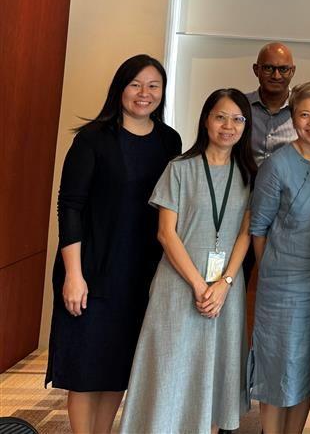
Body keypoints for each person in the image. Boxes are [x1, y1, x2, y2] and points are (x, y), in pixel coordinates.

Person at [45, 54, 181, 434]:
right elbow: (69, 207)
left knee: (117, 367)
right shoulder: (92, 139)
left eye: (154, 86)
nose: (144, 93)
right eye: (136, 84)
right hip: (91, 270)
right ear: (120, 88)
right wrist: (73, 274)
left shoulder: (170, 141)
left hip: (139, 275)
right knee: (86, 369)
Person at [120, 88, 256, 434]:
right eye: (220, 117)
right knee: (170, 368)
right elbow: (166, 233)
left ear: (246, 125)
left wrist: (223, 284)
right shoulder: (179, 168)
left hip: (226, 290)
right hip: (179, 286)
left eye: (237, 119)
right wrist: (199, 284)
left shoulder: (250, 175)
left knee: (214, 370)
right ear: (206, 120)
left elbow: (245, 234)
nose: (228, 126)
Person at [249, 81, 310, 434]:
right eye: (304, 114)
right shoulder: (277, 164)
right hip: (281, 287)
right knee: (276, 368)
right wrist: (271, 273)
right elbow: (259, 229)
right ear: (293, 117)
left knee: (304, 368)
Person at [248, 42, 298, 166]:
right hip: (245, 184)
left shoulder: (305, 110)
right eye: (268, 68)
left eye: (283, 69)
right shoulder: (239, 106)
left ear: (292, 71)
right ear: (256, 70)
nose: (276, 76)